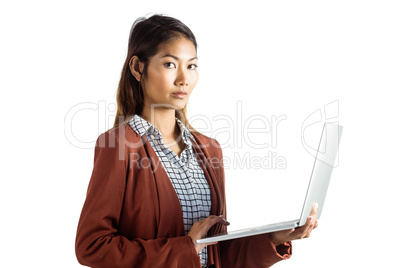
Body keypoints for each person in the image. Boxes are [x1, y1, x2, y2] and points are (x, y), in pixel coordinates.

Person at [75, 14, 319, 268]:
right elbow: (91, 247)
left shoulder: (208, 148)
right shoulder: (119, 145)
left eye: (191, 66)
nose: (184, 79)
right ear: (138, 68)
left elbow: (219, 254)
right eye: (170, 64)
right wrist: (184, 248)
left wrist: (274, 238)